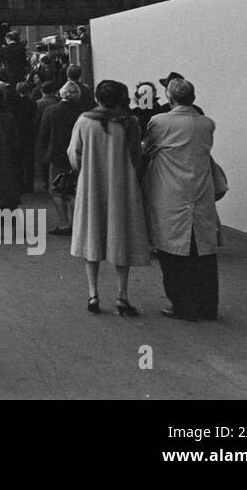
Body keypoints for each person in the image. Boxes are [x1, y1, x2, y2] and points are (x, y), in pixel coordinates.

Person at [69, 80, 150, 317]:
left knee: (92, 235)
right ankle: (122, 295)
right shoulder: (130, 124)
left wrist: (84, 169)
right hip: (121, 184)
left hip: (92, 183)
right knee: (120, 236)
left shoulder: (84, 121)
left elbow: (74, 154)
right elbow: (137, 156)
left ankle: (93, 293)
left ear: (97, 98)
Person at [142, 78, 221, 321]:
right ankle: (208, 306)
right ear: (193, 98)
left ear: (169, 98)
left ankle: (183, 304)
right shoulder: (207, 124)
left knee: (173, 251)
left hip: (171, 192)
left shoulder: (159, 122)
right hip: (200, 191)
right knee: (203, 252)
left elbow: (147, 148)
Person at [36, 81, 82, 236]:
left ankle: (64, 223)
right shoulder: (83, 111)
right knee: (74, 190)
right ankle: (77, 224)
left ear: (61, 94)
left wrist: (41, 153)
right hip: (78, 154)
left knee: (57, 190)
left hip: (57, 154)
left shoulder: (51, 110)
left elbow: (43, 133)